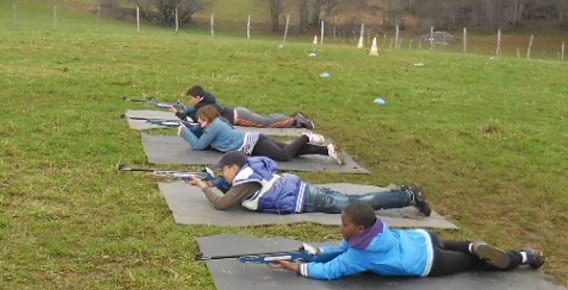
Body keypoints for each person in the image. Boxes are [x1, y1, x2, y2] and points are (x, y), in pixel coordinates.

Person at [273, 201, 545, 280]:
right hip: (424, 237)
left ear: (359, 228)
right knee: (463, 246)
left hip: (429, 261)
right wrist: (317, 251)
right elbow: (341, 251)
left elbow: (334, 270)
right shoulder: (375, 230)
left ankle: (524, 256)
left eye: (344, 224)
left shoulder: (362, 254)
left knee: (478, 264)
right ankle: (473, 245)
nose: (340, 227)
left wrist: (299, 267)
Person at [188, 151, 431, 217]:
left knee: (356, 205)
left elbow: (223, 204)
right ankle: (403, 194)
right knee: (354, 201)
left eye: (224, 170)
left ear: (234, 168)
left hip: (304, 198)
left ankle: (407, 196)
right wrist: (215, 181)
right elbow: (231, 188)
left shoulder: (245, 182)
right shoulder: (251, 169)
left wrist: (204, 187)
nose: (224, 174)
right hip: (304, 190)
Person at [177, 105, 345, 165]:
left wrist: (183, 131)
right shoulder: (215, 124)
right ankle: (327, 150)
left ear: (208, 118)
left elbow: (199, 145)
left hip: (254, 144)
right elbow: (200, 133)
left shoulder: (214, 127)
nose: (199, 122)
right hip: (254, 141)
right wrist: (188, 125)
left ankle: (306, 137)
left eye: (201, 119)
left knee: (284, 155)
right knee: (292, 150)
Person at [170, 84, 315, 129]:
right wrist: (182, 110)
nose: (190, 102)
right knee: (265, 118)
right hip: (238, 112)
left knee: (265, 123)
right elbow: (193, 111)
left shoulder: (204, 106)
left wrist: (180, 114)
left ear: (197, 98)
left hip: (239, 117)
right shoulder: (205, 101)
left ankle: (296, 120)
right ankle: (292, 117)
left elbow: (197, 118)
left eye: (190, 99)